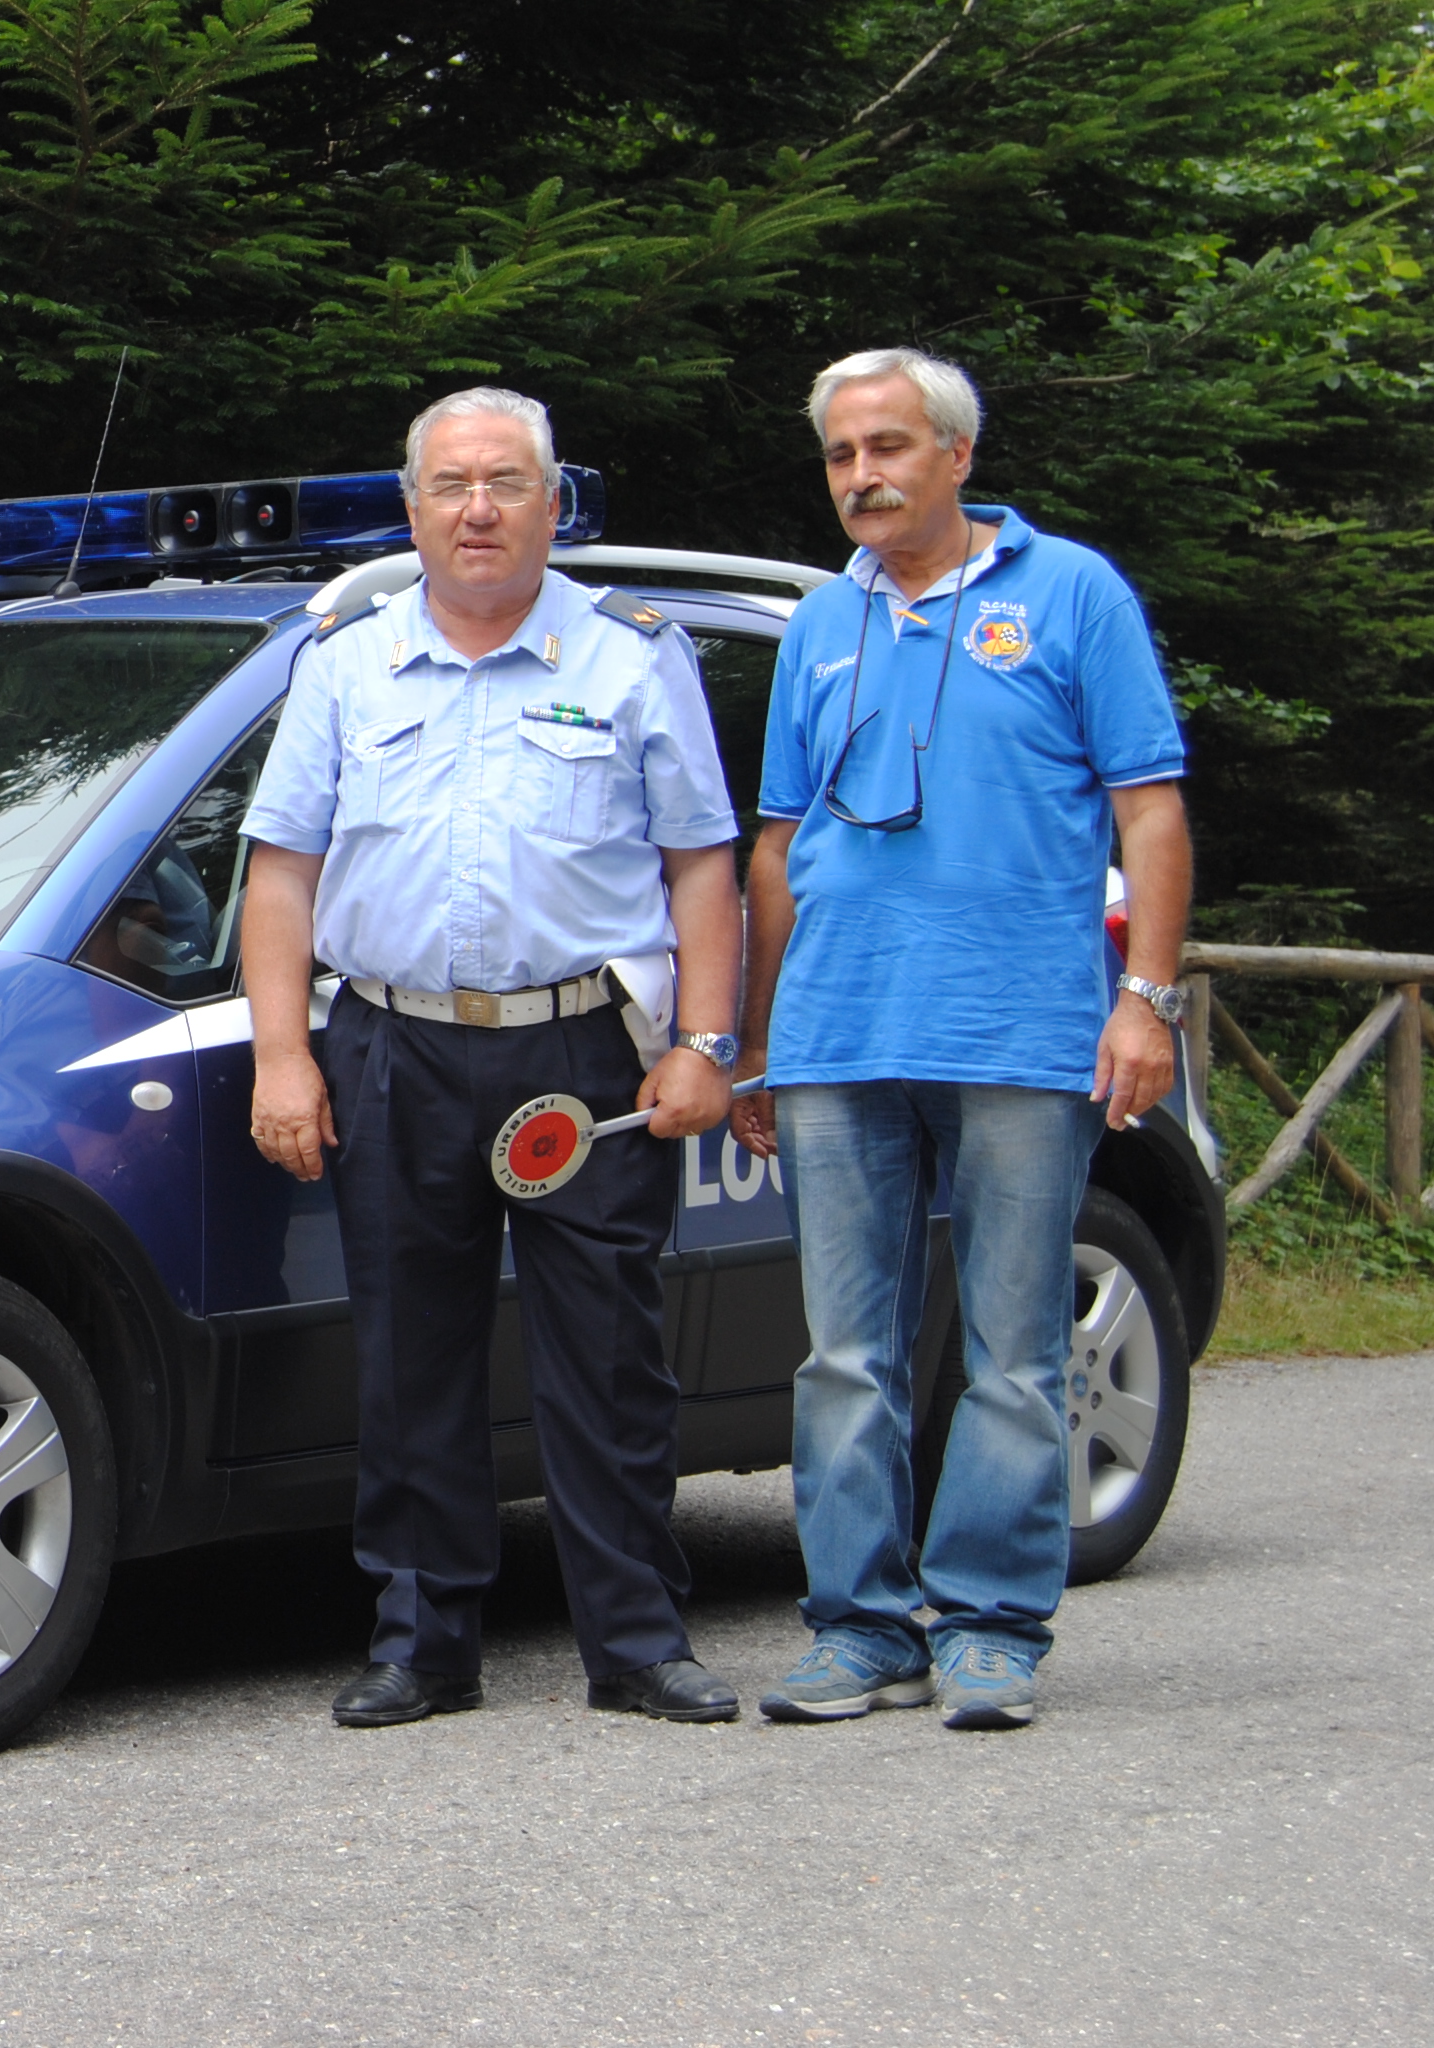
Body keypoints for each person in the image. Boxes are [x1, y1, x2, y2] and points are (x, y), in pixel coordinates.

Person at [243, 387, 748, 1727]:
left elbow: (702, 865)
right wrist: (284, 1056)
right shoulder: (345, 663)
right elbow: (282, 871)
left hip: (582, 1053)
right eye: (452, 486)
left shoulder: (633, 657)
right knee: (409, 1357)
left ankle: (636, 1642)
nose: (478, 510)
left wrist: (705, 1043)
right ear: (412, 509)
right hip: (390, 1044)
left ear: (553, 504)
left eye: (507, 483)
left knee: (609, 1355)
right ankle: (423, 1643)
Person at [730, 350, 1190, 1733]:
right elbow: (776, 848)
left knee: (1015, 1349)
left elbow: (1150, 810)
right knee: (843, 1356)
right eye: (840, 455)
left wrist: (1147, 999)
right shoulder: (820, 621)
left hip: (1020, 1031)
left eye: (888, 447)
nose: (862, 475)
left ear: (958, 455)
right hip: (837, 1035)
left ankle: (990, 1627)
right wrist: (757, 1037)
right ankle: (860, 1630)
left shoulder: (1072, 593)